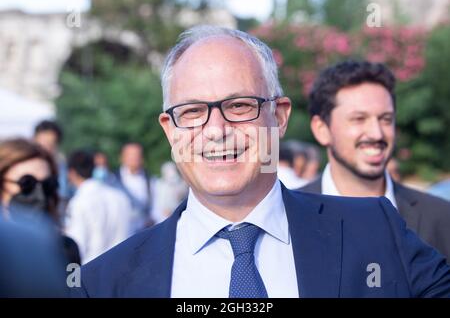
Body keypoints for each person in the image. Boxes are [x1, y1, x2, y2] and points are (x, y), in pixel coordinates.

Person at [71, 26, 450, 298]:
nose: (216, 129)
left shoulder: (374, 231)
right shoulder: (104, 284)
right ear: (170, 129)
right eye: (192, 111)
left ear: (280, 116)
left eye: (239, 106)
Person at [300, 60, 450, 263]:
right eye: (359, 119)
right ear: (321, 129)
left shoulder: (440, 218)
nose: (376, 133)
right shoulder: (288, 217)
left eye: (386, 119)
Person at [0, 138, 80, 265]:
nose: (39, 196)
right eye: (26, 183)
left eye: (47, 185)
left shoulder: (66, 250)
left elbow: (73, 284)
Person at [64, 150, 135, 264]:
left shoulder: (78, 202)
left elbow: (77, 245)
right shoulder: (121, 197)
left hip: (91, 270)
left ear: (71, 173)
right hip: (121, 266)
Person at [34, 120, 72, 212]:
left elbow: (63, 197)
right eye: (42, 144)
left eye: (51, 145)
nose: (45, 149)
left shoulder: (62, 171)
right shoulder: (22, 167)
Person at [115, 142, 155, 228]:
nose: (135, 158)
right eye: (131, 155)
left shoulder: (150, 180)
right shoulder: (113, 181)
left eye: (138, 155)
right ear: (121, 157)